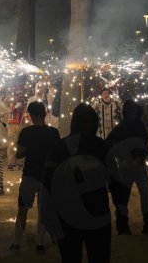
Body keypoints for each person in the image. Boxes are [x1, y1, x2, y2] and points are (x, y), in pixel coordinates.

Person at [41, 104, 112, 263]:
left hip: (95, 214)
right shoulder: (63, 147)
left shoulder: (101, 147)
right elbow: (48, 182)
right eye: (84, 122)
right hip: (71, 215)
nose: (87, 126)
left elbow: (114, 178)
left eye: (89, 122)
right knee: (72, 257)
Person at [10, 102, 60, 253]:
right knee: (43, 211)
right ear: (44, 114)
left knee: (22, 209)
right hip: (46, 177)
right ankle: (39, 243)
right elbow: (56, 154)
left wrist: (22, 152)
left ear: (31, 115)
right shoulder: (53, 133)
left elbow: (19, 154)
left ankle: (17, 242)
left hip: (30, 175)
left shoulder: (26, 132)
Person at [106, 100, 148, 235]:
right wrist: (123, 158)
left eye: (135, 112)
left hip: (139, 167)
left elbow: (145, 143)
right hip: (125, 168)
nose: (133, 114)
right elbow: (109, 145)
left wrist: (141, 156)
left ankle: (146, 223)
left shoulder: (139, 126)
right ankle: (122, 225)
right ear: (126, 113)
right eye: (131, 112)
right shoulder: (120, 129)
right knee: (123, 196)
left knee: (145, 193)